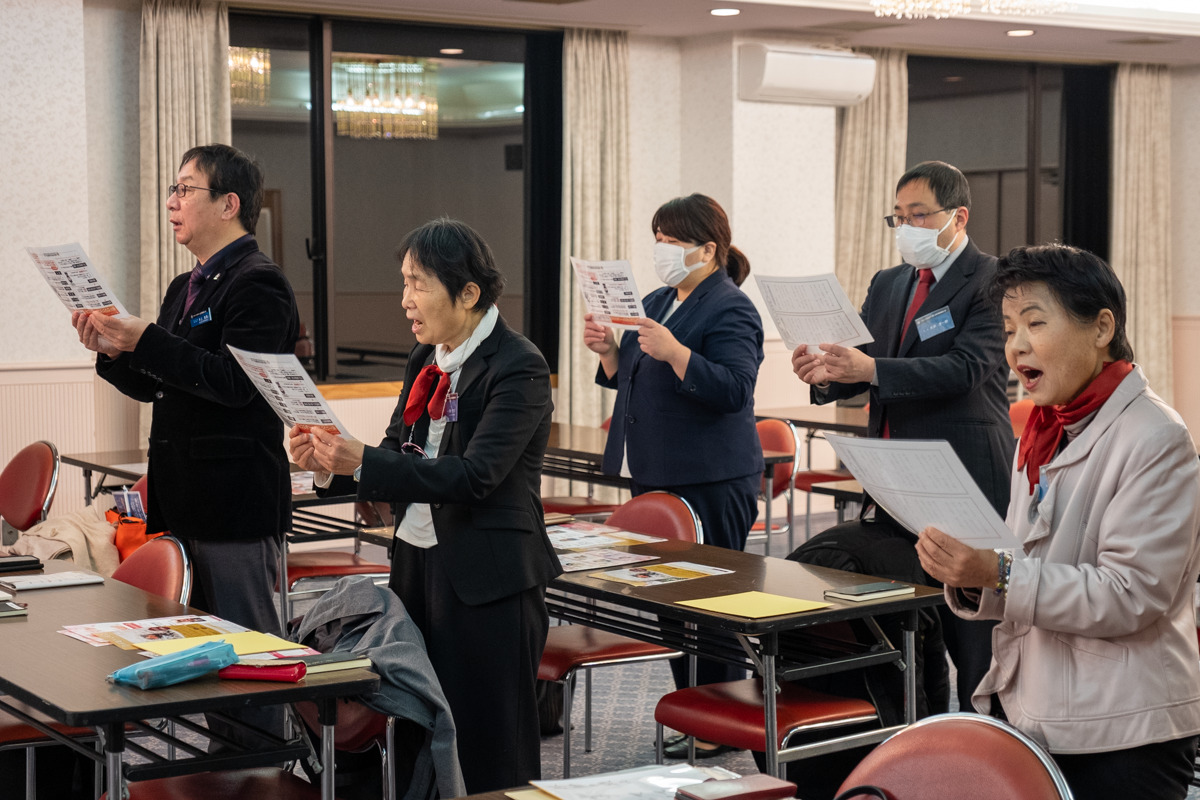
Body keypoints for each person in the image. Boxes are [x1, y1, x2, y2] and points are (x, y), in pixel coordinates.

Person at [916, 244, 1200, 800]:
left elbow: (1131, 593)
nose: (1016, 345)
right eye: (1009, 329)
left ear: (1101, 329)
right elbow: (1025, 559)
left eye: (1035, 323)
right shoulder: (1046, 429)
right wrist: (970, 575)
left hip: (1121, 724)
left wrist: (996, 573)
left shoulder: (1156, 437)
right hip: (1039, 705)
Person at [289, 218, 560, 794]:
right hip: (416, 564)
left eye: (418, 284)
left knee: (490, 741)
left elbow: (476, 476)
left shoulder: (518, 365)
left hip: (488, 579)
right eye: (404, 282)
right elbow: (395, 451)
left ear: (468, 293)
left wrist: (363, 460)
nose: (405, 299)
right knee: (415, 722)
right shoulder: (425, 357)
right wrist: (327, 464)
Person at [791, 161, 1013, 711]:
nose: (907, 227)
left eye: (918, 216)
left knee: (974, 636)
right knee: (911, 622)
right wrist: (826, 374)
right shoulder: (889, 283)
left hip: (964, 475)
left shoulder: (991, 280)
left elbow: (966, 368)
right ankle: (924, 733)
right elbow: (866, 364)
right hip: (894, 483)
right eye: (898, 217)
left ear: (958, 217)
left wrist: (870, 370)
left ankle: (989, 739)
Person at [583, 193, 763, 758]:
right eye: (657, 239)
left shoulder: (731, 307)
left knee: (712, 605)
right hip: (657, 473)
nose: (661, 250)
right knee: (672, 605)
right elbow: (635, 377)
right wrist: (609, 353)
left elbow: (736, 389)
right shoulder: (658, 299)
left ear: (707, 249)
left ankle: (721, 723)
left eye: (672, 241)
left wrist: (679, 353)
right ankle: (693, 711)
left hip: (711, 477)